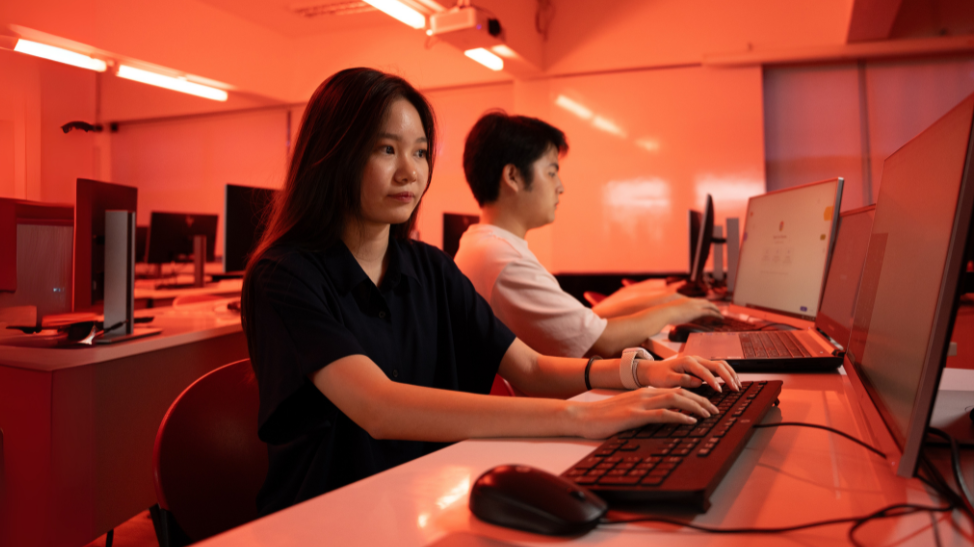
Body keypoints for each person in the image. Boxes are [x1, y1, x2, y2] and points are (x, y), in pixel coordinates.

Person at [241, 68, 739, 516]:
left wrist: (642, 372)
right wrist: (582, 416)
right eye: (386, 149)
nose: (410, 172)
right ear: (333, 157)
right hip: (331, 517)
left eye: (419, 152)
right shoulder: (284, 275)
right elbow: (380, 407)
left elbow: (530, 368)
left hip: (427, 498)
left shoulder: (428, 266)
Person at [454, 112, 719, 358]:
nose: (560, 187)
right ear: (513, 176)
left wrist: (670, 301)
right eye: (551, 172)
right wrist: (675, 310)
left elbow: (587, 318)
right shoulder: (502, 258)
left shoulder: (484, 246)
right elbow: (602, 340)